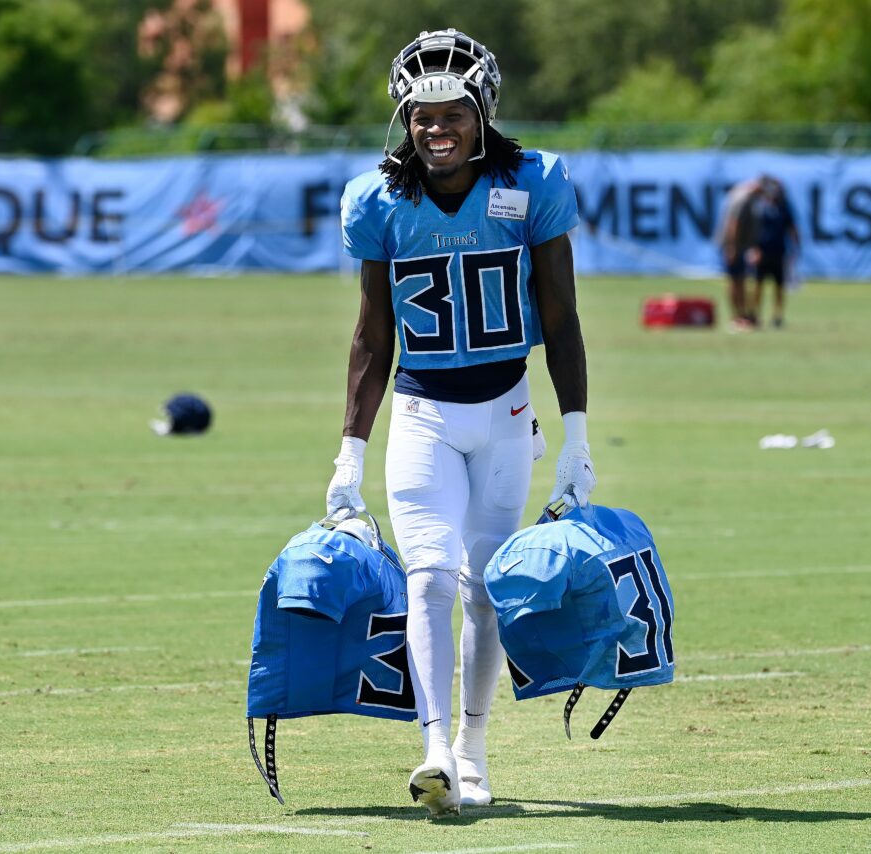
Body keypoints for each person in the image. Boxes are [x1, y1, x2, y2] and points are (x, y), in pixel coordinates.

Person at [325, 29, 595, 819]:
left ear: (482, 113)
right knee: (430, 578)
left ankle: (475, 751)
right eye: (421, 116)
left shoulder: (532, 181)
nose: (436, 129)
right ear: (403, 120)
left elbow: (563, 317)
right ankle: (435, 747)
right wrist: (348, 455)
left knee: (484, 592)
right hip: (422, 413)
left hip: (508, 413)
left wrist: (576, 438)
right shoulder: (378, 198)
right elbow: (374, 334)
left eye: (452, 113)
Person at [717, 176, 769, 331]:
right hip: (734, 246)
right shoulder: (743, 198)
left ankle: (744, 315)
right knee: (735, 281)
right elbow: (734, 224)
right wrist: (731, 247)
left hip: (741, 246)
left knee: (741, 280)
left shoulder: (751, 199)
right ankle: (736, 317)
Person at [749, 178, 800, 329]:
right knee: (758, 285)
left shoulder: (784, 208)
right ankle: (756, 314)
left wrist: (796, 247)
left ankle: (777, 316)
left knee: (779, 286)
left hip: (779, 252)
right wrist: (754, 249)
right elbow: (753, 231)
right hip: (762, 252)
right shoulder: (760, 208)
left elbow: (792, 228)